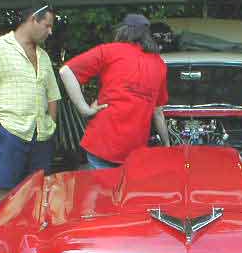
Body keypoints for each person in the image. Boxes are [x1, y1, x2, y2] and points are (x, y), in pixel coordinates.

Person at [0, 2, 61, 213]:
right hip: (11, 131)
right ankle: (4, 240)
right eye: (47, 26)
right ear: (32, 20)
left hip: (41, 134)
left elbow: (53, 94)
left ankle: (32, 239)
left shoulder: (43, 56)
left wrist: (52, 124)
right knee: (7, 193)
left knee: (40, 189)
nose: (50, 31)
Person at [59, 13, 170, 169]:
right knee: (128, 193)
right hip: (134, 150)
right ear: (147, 35)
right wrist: (166, 144)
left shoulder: (109, 51)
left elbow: (66, 71)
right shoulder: (159, 64)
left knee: (101, 192)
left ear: (124, 31)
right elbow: (158, 113)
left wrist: (85, 110)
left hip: (102, 144)